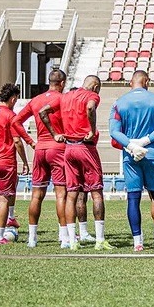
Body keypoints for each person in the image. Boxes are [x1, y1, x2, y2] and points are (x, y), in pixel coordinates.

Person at [109, 70, 154, 251]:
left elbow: (114, 132)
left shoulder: (119, 103)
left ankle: (138, 242)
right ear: (147, 81)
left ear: (130, 83)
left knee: (133, 199)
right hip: (152, 154)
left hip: (130, 155)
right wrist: (145, 141)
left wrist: (132, 145)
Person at [42, 75, 113, 251]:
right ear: (95, 87)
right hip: (85, 147)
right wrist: (92, 129)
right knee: (96, 192)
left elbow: (42, 111)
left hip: (68, 149)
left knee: (72, 194)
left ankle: (72, 240)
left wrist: (54, 134)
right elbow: (90, 107)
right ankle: (100, 240)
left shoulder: (65, 96)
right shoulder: (91, 96)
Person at [12, 69, 74, 248]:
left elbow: (15, 122)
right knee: (61, 194)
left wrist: (31, 142)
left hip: (40, 149)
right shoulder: (62, 99)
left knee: (36, 195)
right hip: (58, 149)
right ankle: (64, 237)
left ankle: (32, 238)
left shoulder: (36, 100)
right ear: (62, 83)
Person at [0, 83, 32, 245]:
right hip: (6, 162)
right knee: (4, 199)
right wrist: (25, 162)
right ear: (13, 98)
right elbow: (17, 141)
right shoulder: (11, 116)